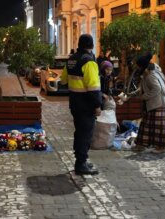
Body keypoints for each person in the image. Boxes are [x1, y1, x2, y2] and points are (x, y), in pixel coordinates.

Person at [61, 34, 102, 175]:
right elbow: (93, 87)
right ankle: (81, 163)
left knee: (79, 132)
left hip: (75, 103)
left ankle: (80, 159)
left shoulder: (71, 60)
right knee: (85, 134)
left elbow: (63, 80)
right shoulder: (88, 61)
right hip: (86, 105)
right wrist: (97, 105)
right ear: (91, 45)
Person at [128, 52, 165, 154]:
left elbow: (157, 88)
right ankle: (140, 145)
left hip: (158, 104)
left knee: (158, 128)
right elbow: (142, 88)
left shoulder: (150, 75)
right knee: (145, 125)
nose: (136, 68)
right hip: (153, 104)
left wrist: (143, 97)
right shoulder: (147, 73)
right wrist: (131, 94)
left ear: (142, 66)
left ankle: (162, 148)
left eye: (138, 66)